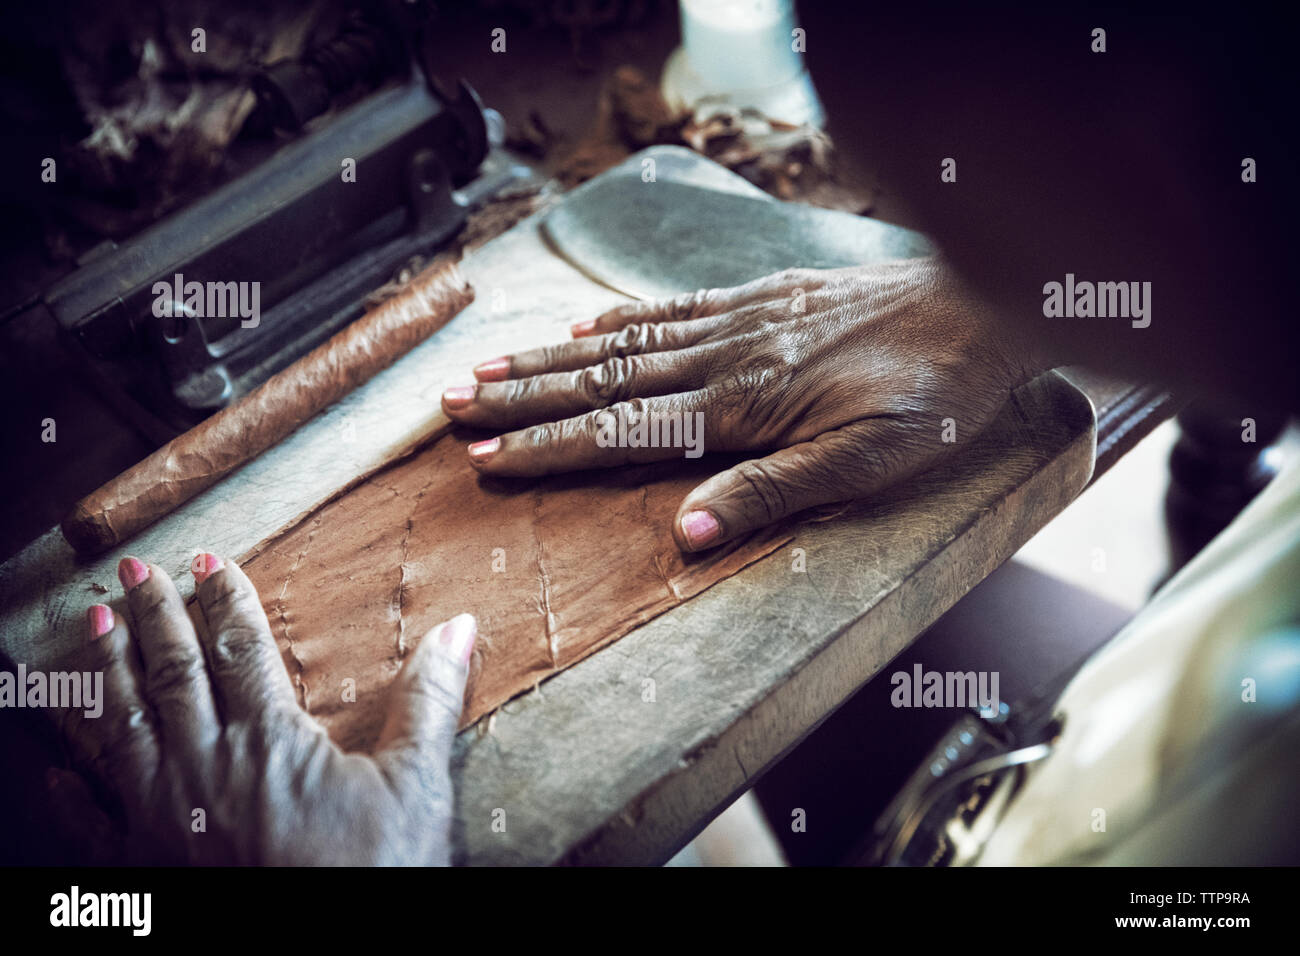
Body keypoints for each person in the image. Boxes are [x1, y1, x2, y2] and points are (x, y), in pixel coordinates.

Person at [61, 6, 1296, 864]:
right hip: (1045, 770)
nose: (874, 199)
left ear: (1157, 132)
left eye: (944, 208)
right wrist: (990, 308)